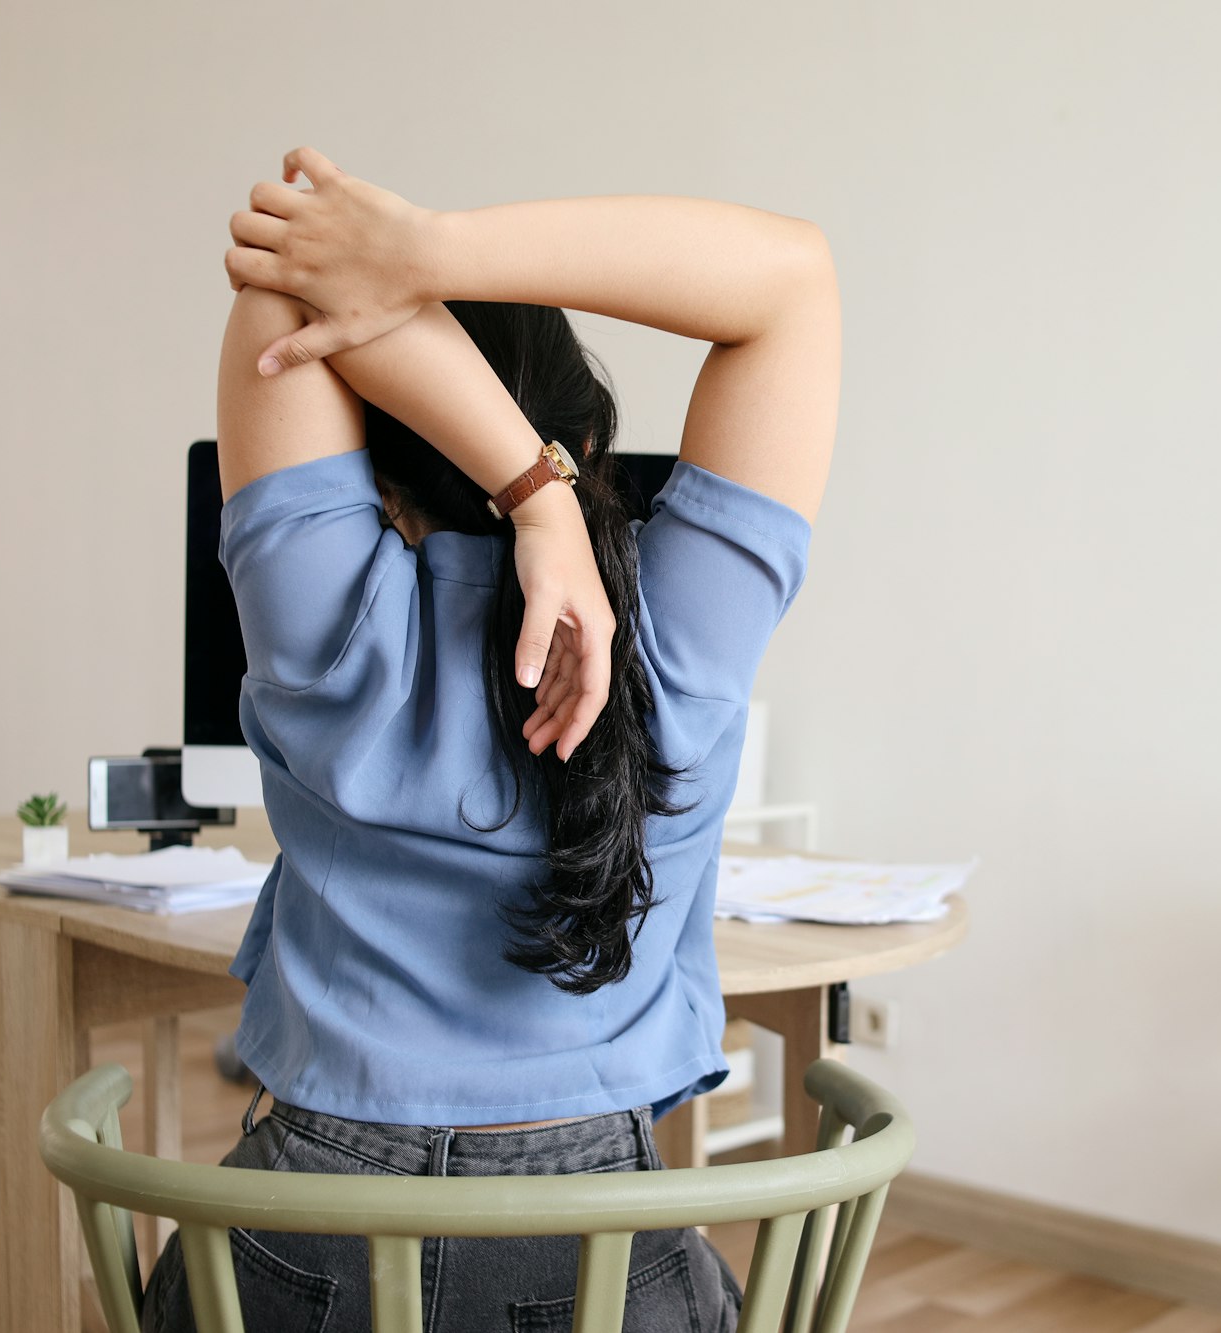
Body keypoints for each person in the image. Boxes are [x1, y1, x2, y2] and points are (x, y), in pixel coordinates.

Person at [139, 148, 840, 1333]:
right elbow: (794, 281)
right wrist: (447, 267)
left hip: (308, 1244)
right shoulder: (675, 638)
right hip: (608, 1268)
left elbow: (278, 272)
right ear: (592, 437)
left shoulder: (322, 620)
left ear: (378, 462)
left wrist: (532, 494)